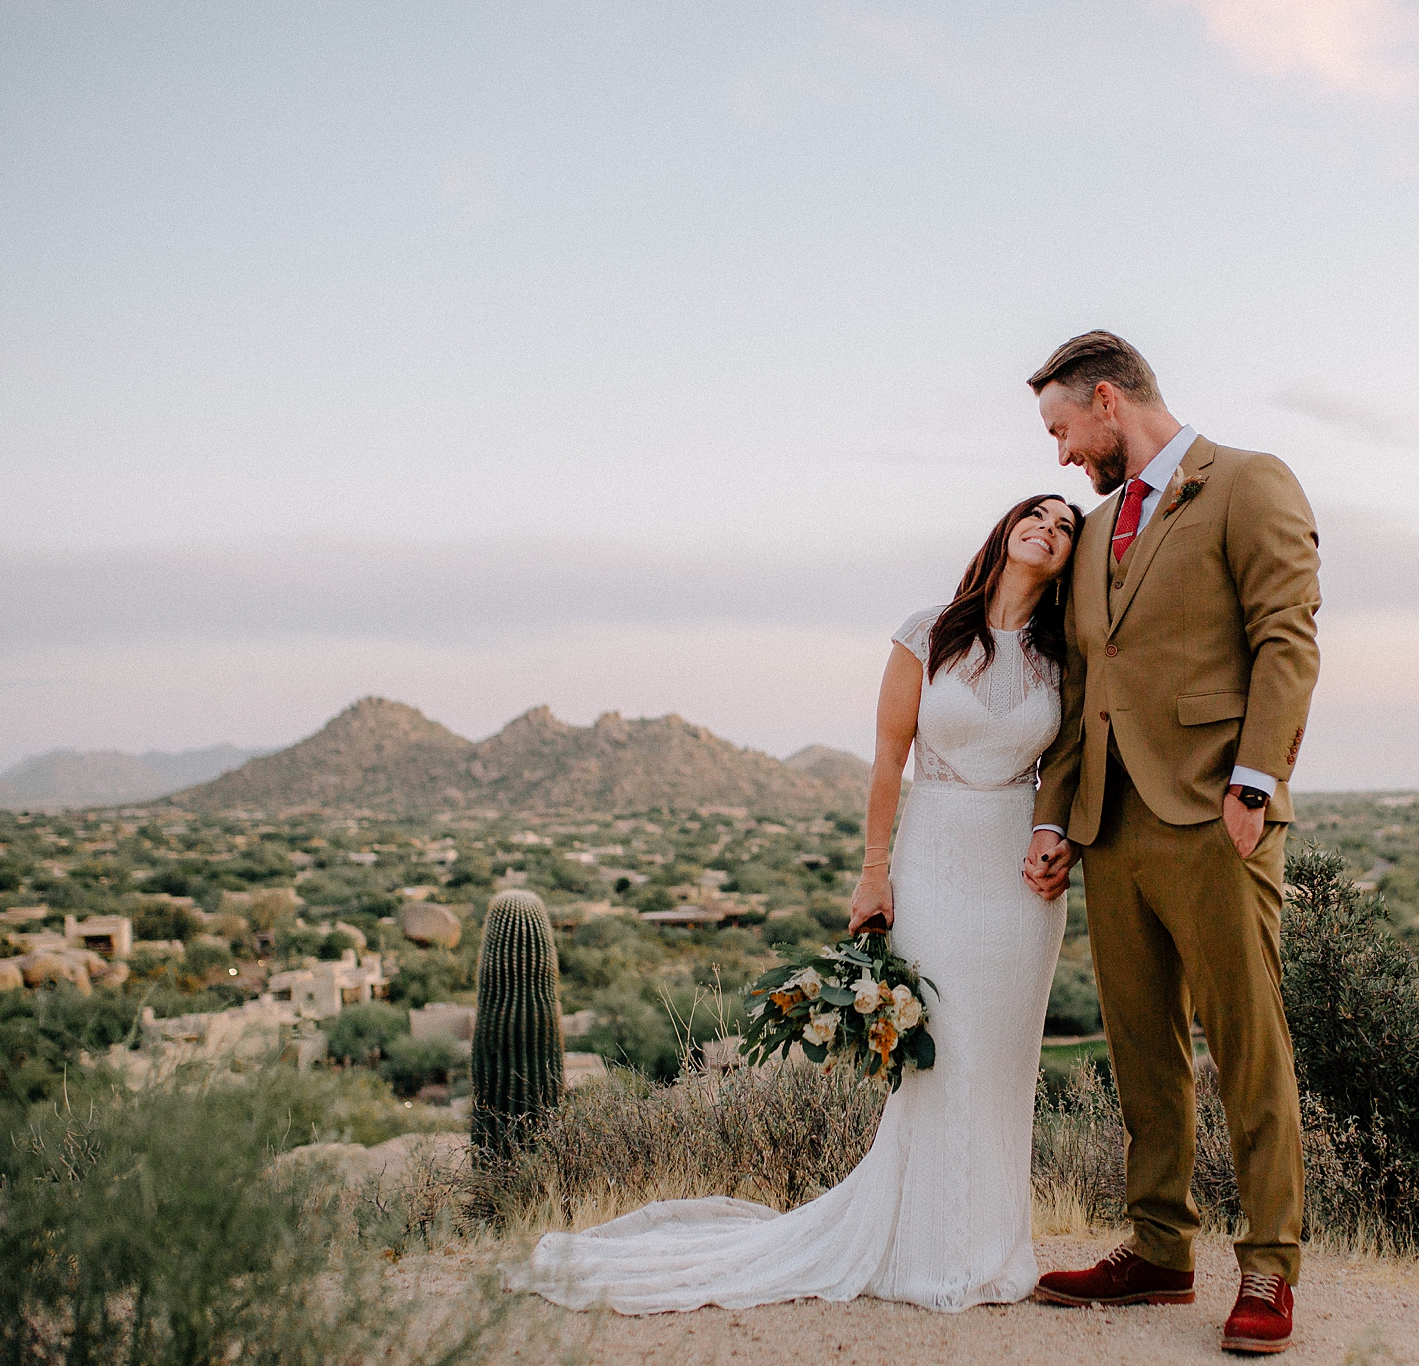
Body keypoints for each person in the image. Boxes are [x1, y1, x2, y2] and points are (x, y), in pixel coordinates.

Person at [502, 493, 1084, 1315]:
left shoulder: (1065, 655)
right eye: (1039, 514)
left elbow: (1075, 766)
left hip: (1018, 880)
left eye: (1066, 528)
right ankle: (926, 1251)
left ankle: (994, 1252)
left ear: (1068, 561)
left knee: (1003, 1062)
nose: (1051, 529)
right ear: (1004, 531)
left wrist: (1064, 839)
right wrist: (873, 871)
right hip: (935, 854)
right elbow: (889, 758)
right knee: (942, 1053)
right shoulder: (930, 632)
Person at [1020, 331, 1321, 1356]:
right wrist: (1055, 818)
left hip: (1215, 818)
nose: (1061, 455)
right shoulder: (1096, 531)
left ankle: (1270, 1265)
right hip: (1113, 826)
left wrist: (1254, 782)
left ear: (1107, 402)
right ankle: (1157, 1248)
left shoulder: (1246, 482)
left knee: (1246, 1046)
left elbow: (1286, 631)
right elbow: (1077, 696)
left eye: (1063, 429)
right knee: (1140, 1051)